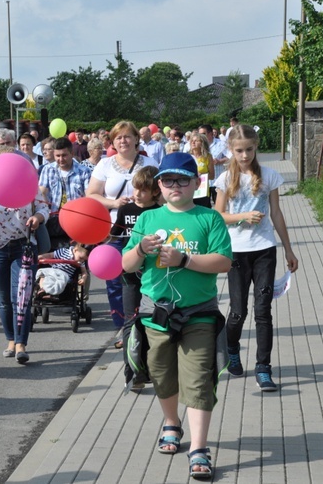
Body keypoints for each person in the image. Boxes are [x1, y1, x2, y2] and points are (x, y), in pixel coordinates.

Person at [122, 152, 232, 481]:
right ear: (159, 185)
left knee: (199, 378)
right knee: (161, 375)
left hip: (199, 314)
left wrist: (184, 260)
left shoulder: (209, 218)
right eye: (168, 180)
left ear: (196, 183)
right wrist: (141, 250)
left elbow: (223, 262)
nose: (175, 186)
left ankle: (199, 447)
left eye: (183, 180)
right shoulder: (147, 220)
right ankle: (172, 423)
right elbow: (126, 265)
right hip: (156, 315)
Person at [214, 124, 299, 391]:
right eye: (239, 150)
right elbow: (217, 215)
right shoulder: (225, 179)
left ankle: (264, 368)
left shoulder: (270, 176)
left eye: (249, 149)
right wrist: (242, 217)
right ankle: (232, 349)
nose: (244, 155)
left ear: (256, 146)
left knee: (263, 312)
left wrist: (288, 248)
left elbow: (276, 213)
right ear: (231, 150)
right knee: (238, 312)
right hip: (236, 252)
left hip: (264, 249)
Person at [86, 121, 159, 328]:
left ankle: (148, 323)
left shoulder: (149, 162)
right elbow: (91, 194)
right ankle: (122, 327)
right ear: (112, 142)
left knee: (148, 278)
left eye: (127, 136)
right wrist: (114, 203)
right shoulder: (104, 164)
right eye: (118, 137)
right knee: (115, 281)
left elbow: (160, 196)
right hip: (116, 231)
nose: (123, 140)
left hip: (147, 229)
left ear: (137, 139)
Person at [0, 145, 49, 364]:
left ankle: (21, 344)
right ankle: (10, 339)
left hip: (24, 246)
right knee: (3, 300)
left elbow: (43, 208)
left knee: (20, 297)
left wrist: (37, 218)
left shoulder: (27, 181)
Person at [109, 166, 161, 355]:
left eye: (143, 190)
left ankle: (148, 358)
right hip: (129, 271)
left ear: (156, 191)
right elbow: (114, 234)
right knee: (130, 318)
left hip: (152, 273)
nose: (137, 194)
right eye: (135, 188)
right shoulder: (126, 209)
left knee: (151, 316)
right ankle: (130, 371)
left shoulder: (160, 212)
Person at [38, 137, 92, 249]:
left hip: (76, 221)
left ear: (72, 153)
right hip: (53, 221)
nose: (61, 159)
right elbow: (42, 192)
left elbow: (89, 197)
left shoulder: (84, 171)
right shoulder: (47, 169)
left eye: (64, 155)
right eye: (58, 156)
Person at [188, 131, 214, 208]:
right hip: (189, 190)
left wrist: (202, 175)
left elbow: (212, 176)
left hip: (202, 191)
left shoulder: (207, 157)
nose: (193, 142)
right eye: (192, 141)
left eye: (196, 141)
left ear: (202, 143)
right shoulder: (187, 156)